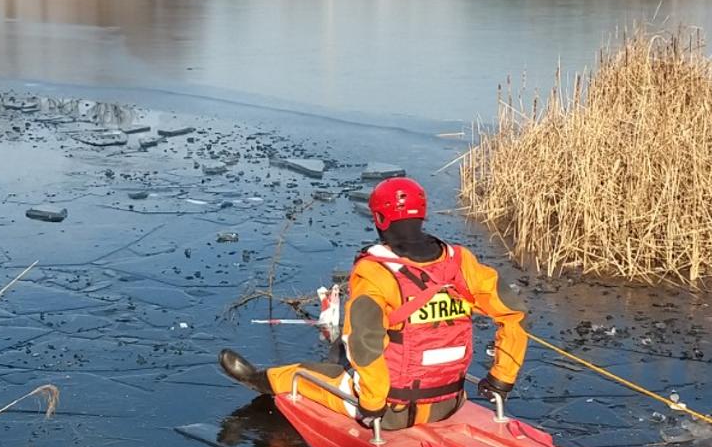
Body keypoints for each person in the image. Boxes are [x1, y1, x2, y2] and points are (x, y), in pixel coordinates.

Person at [219, 176, 528, 431]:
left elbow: (365, 342)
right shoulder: (461, 263)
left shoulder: (374, 271)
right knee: (347, 352)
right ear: (422, 214)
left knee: (302, 373)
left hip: (392, 411)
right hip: (449, 403)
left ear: (379, 218)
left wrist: (372, 404)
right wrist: (501, 378)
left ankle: (256, 379)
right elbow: (514, 315)